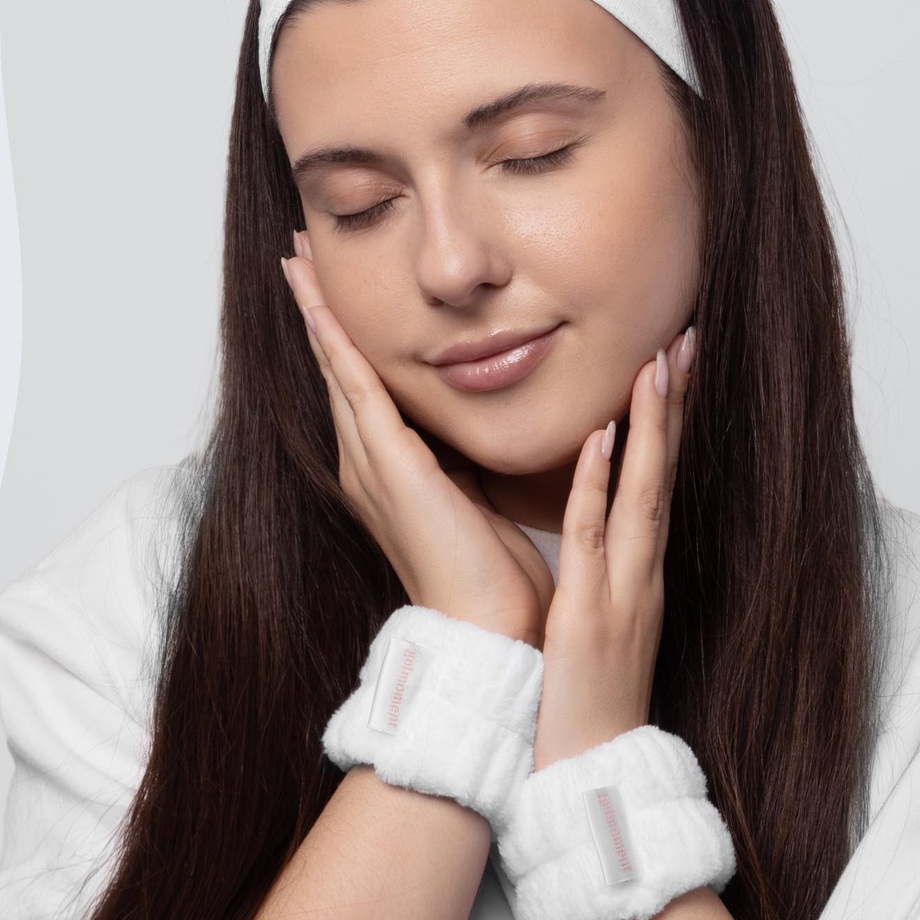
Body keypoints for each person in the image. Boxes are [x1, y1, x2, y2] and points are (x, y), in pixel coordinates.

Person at [0, 0, 918, 918]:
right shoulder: (127, 606)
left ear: (721, 135)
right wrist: (463, 664)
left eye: (531, 154)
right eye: (360, 204)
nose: (448, 265)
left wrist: (602, 781)